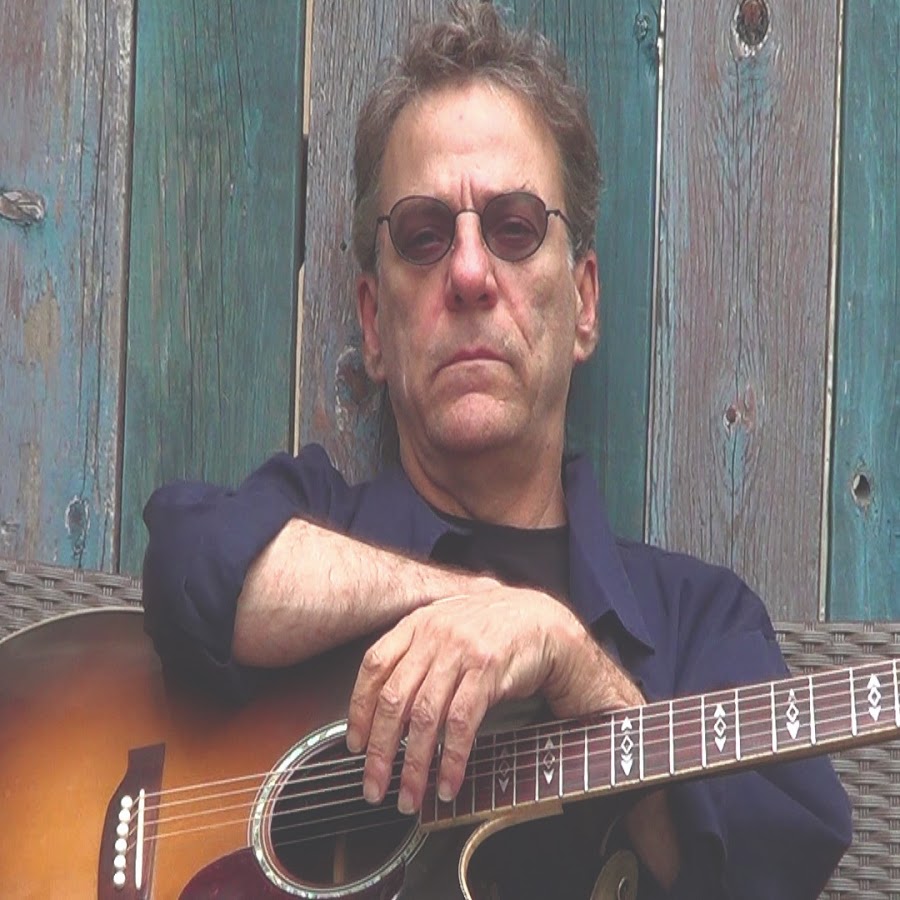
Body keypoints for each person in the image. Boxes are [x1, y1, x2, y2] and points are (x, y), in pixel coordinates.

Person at [141, 3, 852, 897]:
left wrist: (569, 658)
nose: (471, 273)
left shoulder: (696, 622)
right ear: (373, 322)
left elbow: (773, 863)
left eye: (514, 228)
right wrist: (474, 598)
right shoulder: (316, 519)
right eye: (424, 235)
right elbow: (189, 566)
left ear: (583, 303)